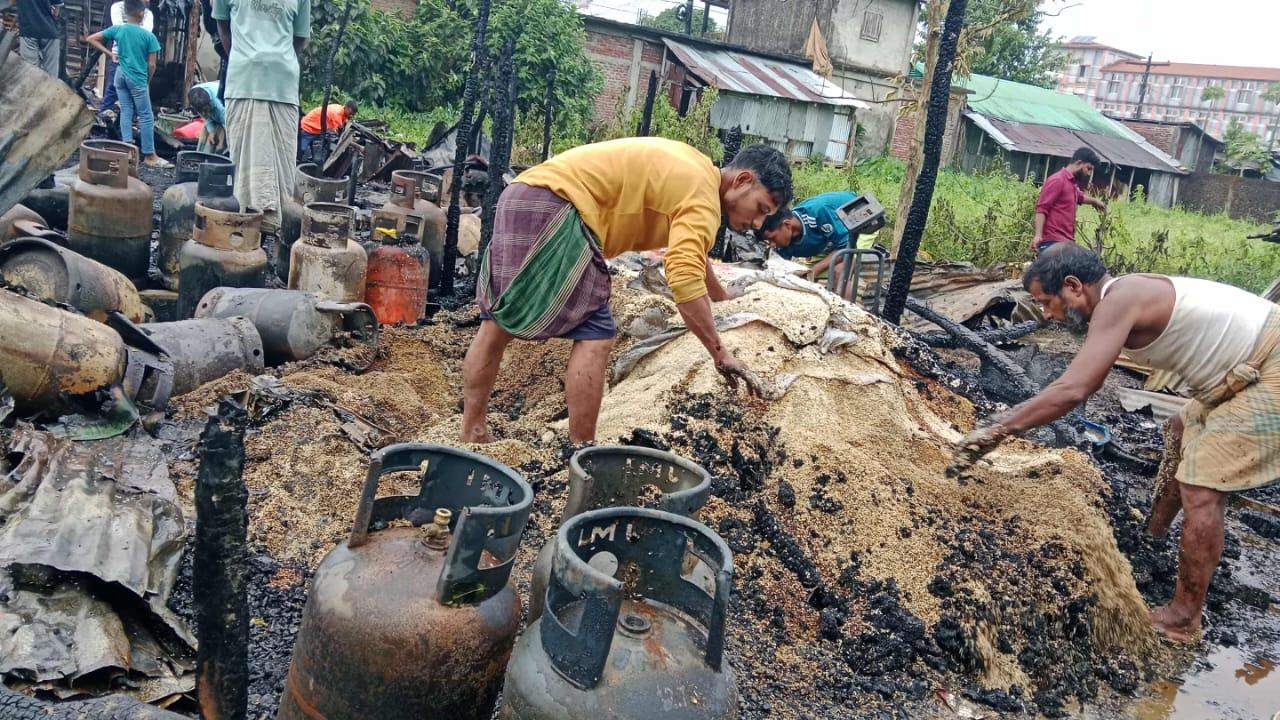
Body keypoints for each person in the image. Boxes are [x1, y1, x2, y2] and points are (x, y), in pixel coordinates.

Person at [948, 243, 1280, 643]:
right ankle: (1152, 539)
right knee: (1179, 428)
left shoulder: (1117, 302)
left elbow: (1075, 388)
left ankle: (1183, 618)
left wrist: (1000, 428)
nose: (1047, 315)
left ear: (1073, 286)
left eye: (1047, 302)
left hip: (1270, 362)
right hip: (1240, 367)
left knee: (1202, 486)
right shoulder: (1124, 294)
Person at [462, 138, 792, 444]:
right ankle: (581, 452)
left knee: (498, 321)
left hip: (525, 194)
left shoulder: (695, 169)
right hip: (560, 206)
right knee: (596, 332)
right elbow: (684, 277)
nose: (759, 223)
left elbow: (692, 251)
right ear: (744, 180)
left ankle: (473, 430)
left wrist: (719, 295)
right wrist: (720, 354)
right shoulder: (703, 197)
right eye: (762, 209)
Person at [212, 0, 311, 231]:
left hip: (283, 89)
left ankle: (277, 238)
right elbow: (222, 26)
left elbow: (300, 38)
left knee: (282, 175)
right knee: (243, 171)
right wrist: (245, 58)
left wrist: (277, 61)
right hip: (243, 83)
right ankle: (245, 235)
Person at [85, 0, 171, 168]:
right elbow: (152, 65)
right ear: (141, 14)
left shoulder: (119, 29)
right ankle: (149, 155)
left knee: (126, 110)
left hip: (120, 75)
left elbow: (91, 38)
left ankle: (128, 151)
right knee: (145, 115)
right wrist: (147, 80)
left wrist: (111, 54)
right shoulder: (149, 36)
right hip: (137, 77)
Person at [760, 190, 859, 290]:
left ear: (787, 225)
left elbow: (847, 246)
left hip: (857, 220)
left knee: (839, 273)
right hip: (829, 236)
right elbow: (781, 271)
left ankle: (844, 305)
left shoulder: (818, 213)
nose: (772, 244)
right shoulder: (784, 240)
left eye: (772, 238)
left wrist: (814, 271)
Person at [1032, 147, 1107, 254]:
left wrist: (1095, 201)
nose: (1089, 173)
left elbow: (1079, 197)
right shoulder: (1058, 180)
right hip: (1053, 242)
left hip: (1065, 242)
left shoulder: (1071, 183)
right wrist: (1038, 235)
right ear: (1079, 163)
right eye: (1088, 168)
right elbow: (1041, 209)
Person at [97, 0, 154, 120]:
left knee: (133, 98)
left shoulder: (148, 14)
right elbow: (121, 29)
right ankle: (100, 122)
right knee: (112, 92)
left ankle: (124, 131)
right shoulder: (117, 7)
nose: (148, 1)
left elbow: (145, 33)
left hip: (137, 60)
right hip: (119, 58)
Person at [16, 0, 63, 77]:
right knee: (51, 75)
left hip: (29, 31)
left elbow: (12, 2)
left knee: (30, 72)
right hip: (49, 32)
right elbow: (56, 12)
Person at [187, 81, 227, 154]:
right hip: (214, 116)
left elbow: (229, 128)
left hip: (226, 121)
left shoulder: (220, 107)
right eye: (202, 112)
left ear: (210, 102)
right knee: (205, 138)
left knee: (220, 143)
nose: (205, 114)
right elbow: (204, 116)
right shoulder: (194, 94)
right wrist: (211, 131)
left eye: (206, 110)